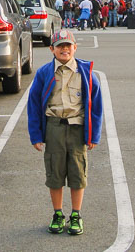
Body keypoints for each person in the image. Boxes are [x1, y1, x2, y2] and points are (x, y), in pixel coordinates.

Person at [27, 29, 103, 237]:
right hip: (54, 127)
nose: (64, 49)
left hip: (77, 129)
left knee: (78, 174)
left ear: (75, 48)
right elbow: (34, 104)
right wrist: (36, 135)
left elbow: (96, 105)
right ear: (52, 49)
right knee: (55, 173)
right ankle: (58, 214)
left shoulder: (86, 73)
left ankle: (76, 215)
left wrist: (93, 135)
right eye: (60, 46)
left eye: (68, 45)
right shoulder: (45, 73)